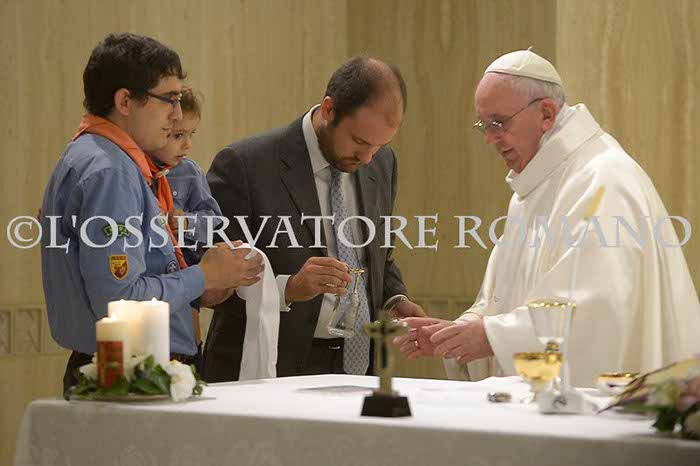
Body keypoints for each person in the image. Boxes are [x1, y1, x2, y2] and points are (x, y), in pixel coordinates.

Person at [394, 49, 700, 386]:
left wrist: (492, 336)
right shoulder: (534, 186)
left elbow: (597, 312)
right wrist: (458, 333)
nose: (491, 138)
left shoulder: (604, 181)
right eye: (484, 125)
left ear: (546, 113)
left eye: (499, 123)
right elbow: (504, 298)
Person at [40, 33, 263, 393]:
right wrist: (204, 275)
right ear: (125, 101)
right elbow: (120, 300)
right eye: (169, 99)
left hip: (125, 362)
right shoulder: (111, 171)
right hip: (130, 371)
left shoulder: (91, 155)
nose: (176, 114)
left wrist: (202, 287)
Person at [204, 56, 425, 382]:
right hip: (270, 370)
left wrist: (395, 299)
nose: (368, 158)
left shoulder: (382, 163)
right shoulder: (244, 166)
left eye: (380, 145)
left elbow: (378, 256)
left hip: (359, 368)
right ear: (329, 109)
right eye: (360, 141)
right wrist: (287, 288)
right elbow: (212, 285)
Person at [148, 86, 222, 372]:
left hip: (183, 267)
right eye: (178, 136)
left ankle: (192, 358)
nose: (187, 145)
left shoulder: (189, 172)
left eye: (192, 134)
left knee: (187, 338)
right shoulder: (132, 171)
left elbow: (214, 221)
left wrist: (186, 222)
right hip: (147, 275)